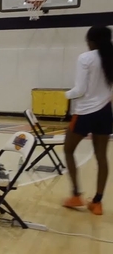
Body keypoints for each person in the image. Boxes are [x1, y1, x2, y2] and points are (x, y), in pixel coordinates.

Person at [62, 25, 113, 216]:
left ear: (91, 41)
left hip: (84, 113)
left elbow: (80, 90)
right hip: (105, 112)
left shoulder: (86, 58)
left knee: (68, 150)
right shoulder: (110, 57)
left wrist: (65, 95)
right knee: (102, 157)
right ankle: (97, 202)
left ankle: (76, 194)